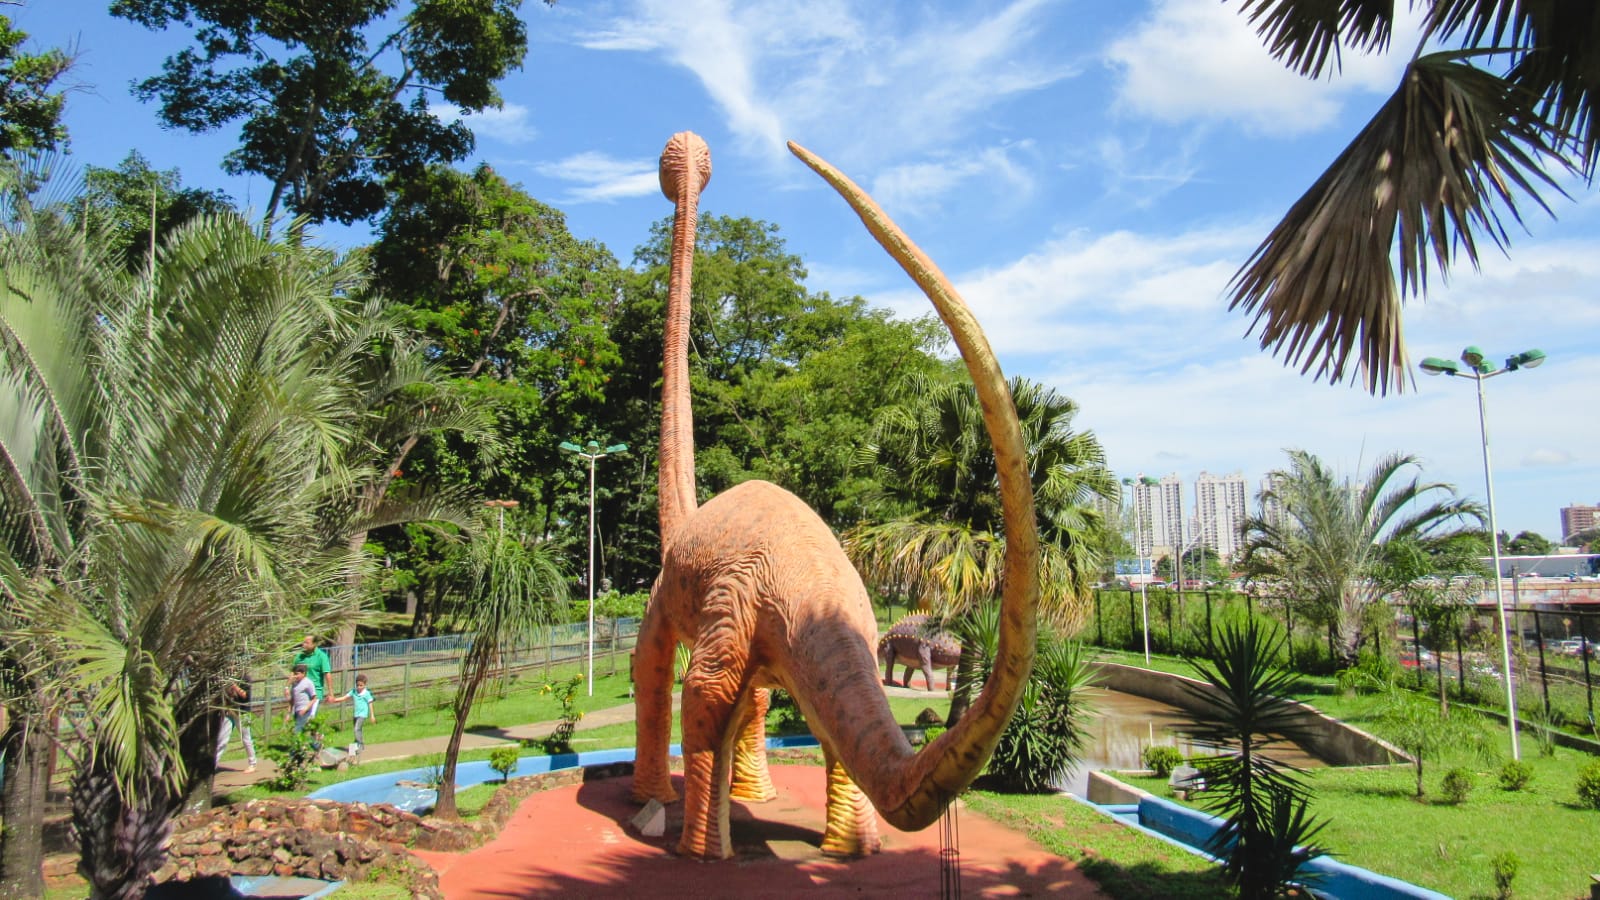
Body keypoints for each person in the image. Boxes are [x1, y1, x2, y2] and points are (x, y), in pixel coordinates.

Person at [215, 676, 257, 773]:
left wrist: (234, 686)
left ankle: (252, 763)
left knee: (246, 738)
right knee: (222, 739)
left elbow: (245, 695)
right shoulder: (227, 678)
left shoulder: (245, 679)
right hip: (230, 712)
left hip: (244, 714)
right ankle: (213, 764)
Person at [329, 673, 375, 753]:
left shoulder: (366, 693)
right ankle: (357, 747)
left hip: (363, 714)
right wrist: (334, 700)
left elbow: (370, 703)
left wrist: (372, 715)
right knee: (357, 731)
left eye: (361, 685)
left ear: (365, 685)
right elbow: (344, 697)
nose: (359, 687)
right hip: (356, 714)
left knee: (356, 729)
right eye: (357, 685)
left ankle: (359, 745)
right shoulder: (354, 691)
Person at [292, 634, 333, 717]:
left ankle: (311, 728)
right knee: (298, 716)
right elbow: (292, 673)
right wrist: (287, 687)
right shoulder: (299, 656)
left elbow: (327, 674)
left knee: (310, 717)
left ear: (314, 644)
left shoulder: (321, 656)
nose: (303, 645)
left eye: (307, 643)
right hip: (300, 691)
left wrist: (331, 693)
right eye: (303, 642)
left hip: (314, 691)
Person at [286, 664, 317, 733]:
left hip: (305, 710)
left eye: (297, 674)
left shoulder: (308, 683)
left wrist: (306, 708)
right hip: (297, 710)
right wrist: (288, 713)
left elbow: (314, 698)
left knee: (297, 730)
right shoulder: (294, 684)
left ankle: (297, 743)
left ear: (303, 673)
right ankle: (316, 743)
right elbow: (292, 700)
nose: (295, 676)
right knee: (305, 729)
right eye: (294, 674)